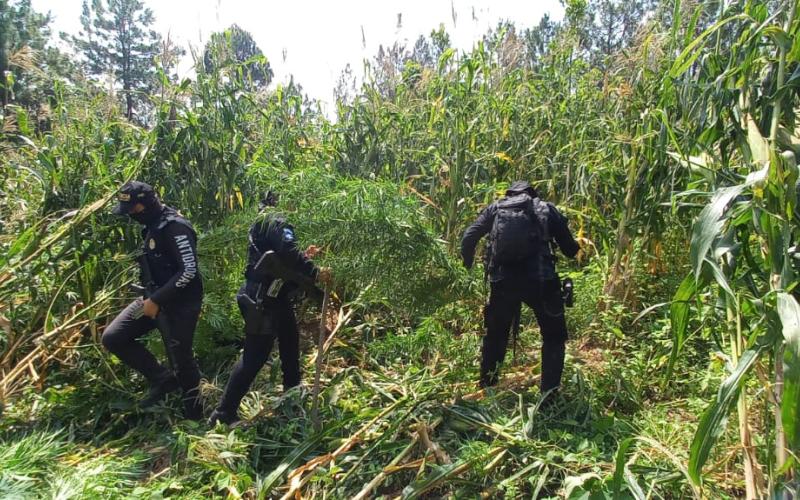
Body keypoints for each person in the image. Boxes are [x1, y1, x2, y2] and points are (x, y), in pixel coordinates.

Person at [209, 191, 330, 425]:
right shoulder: (276, 220)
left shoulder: (266, 219)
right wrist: (316, 271)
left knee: (289, 339)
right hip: (263, 298)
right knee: (255, 355)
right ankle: (223, 414)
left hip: (273, 296)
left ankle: (292, 391)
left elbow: (282, 258)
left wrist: (305, 257)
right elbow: (287, 252)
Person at [460, 181, 580, 400]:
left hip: (503, 281)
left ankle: (487, 388)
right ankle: (548, 397)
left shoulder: (496, 208)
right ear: (532, 193)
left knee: (496, 336)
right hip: (541, 281)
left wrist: (467, 266)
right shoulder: (545, 208)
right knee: (553, 337)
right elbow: (570, 250)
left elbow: (469, 237)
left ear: (510, 194)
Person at [102, 181, 204, 420]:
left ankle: (196, 418)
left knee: (181, 359)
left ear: (146, 205)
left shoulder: (175, 227)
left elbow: (188, 270)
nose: (132, 216)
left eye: (134, 210)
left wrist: (157, 299)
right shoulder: (152, 226)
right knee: (114, 337)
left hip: (179, 305)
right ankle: (163, 380)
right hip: (151, 300)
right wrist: (151, 299)